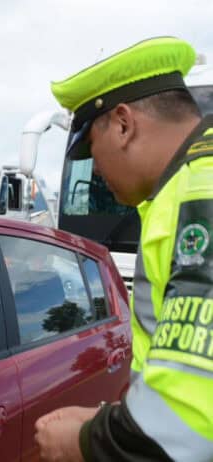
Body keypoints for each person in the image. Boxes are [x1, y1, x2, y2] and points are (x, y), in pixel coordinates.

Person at [34, 37, 213, 461]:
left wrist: (87, 441)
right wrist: (118, 418)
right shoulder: (184, 186)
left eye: (90, 149)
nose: (94, 169)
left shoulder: (198, 193)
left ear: (122, 124)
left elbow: (188, 422)